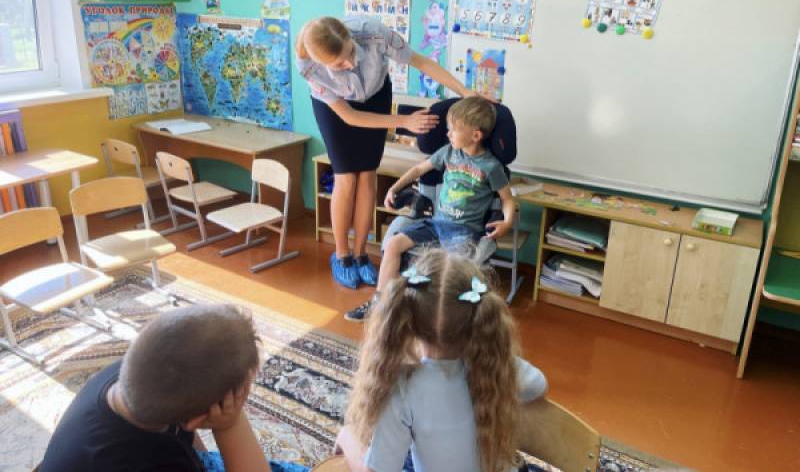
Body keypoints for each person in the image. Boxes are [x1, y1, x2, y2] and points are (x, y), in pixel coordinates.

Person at [296, 15, 479, 290]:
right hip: (337, 110)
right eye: (339, 64)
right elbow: (350, 117)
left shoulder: (375, 34)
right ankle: (342, 256)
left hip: (376, 95)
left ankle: (360, 255)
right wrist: (404, 121)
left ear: (349, 36)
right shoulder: (309, 67)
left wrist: (466, 92)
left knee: (367, 174)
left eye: (350, 53)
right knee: (346, 177)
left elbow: (421, 62)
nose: (350, 64)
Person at [335, 248, 548, 472]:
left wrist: (347, 438)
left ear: (409, 322)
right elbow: (539, 384)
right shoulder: (497, 365)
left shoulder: (403, 388)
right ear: (479, 318)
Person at [39, 304, 307, 472]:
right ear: (197, 419)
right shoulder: (156, 463)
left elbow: (186, 440)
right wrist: (230, 425)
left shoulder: (125, 377)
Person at [344, 96, 514, 322]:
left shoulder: (491, 167)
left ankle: (442, 318)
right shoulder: (448, 152)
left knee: (448, 273)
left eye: (454, 129)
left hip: (464, 232)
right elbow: (418, 170)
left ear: (476, 135)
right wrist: (394, 187)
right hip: (436, 224)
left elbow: (508, 200)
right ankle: (381, 303)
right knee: (394, 244)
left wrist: (507, 222)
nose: (448, 134)